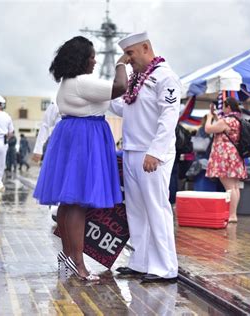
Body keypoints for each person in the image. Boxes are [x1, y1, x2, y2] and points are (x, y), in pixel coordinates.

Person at [33, 36, 128, 281]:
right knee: (77, 204)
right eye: (92, 56)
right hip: (85, 138)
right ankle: (78, 264)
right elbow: (120, 87)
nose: (95, 61)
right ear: (82, 59)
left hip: (73, 136)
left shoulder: (67, 82)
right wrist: (121, 63)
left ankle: (68, 260)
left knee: (68, 204)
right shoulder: (82, 82)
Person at [110, 31, 180, 283]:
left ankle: (165, 267)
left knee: (156, 209)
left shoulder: (165, 77)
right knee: (136, 211)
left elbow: (169, 116)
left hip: (152, 154)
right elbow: (123, 107)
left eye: (130, 53)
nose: (128, 59)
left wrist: (156, 152)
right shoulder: (137, 79)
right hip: (131, 150)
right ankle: (140, 262)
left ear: (146, 48)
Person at [204, 97, 247, 223]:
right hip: (235, 156)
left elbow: (208, 129)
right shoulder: (237, 120)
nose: (222, 108)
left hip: (225, 157)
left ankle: (232, 215)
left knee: (229, 187)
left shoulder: (226, 121)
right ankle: (233, 214)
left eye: (224, 106)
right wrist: (215, 115)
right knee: (234, 186)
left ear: (228, 107)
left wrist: (208, 118)